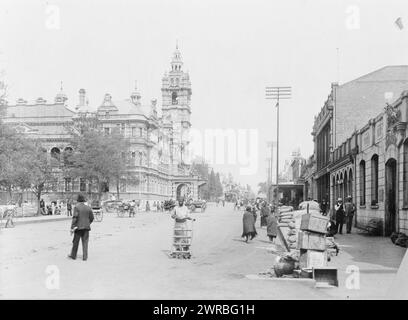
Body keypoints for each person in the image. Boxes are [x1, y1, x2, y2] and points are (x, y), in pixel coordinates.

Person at [68, 194, 94, 261]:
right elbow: (92, 218)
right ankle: (85, 257)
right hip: (86, 227)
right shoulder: (88, 207)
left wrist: (72, 227)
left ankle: (73, 256)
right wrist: (88, 223)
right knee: (85, 242)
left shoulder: (76, 207)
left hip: (78, 228)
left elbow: (75, 218)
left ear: (78, 200)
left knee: (75, 242)